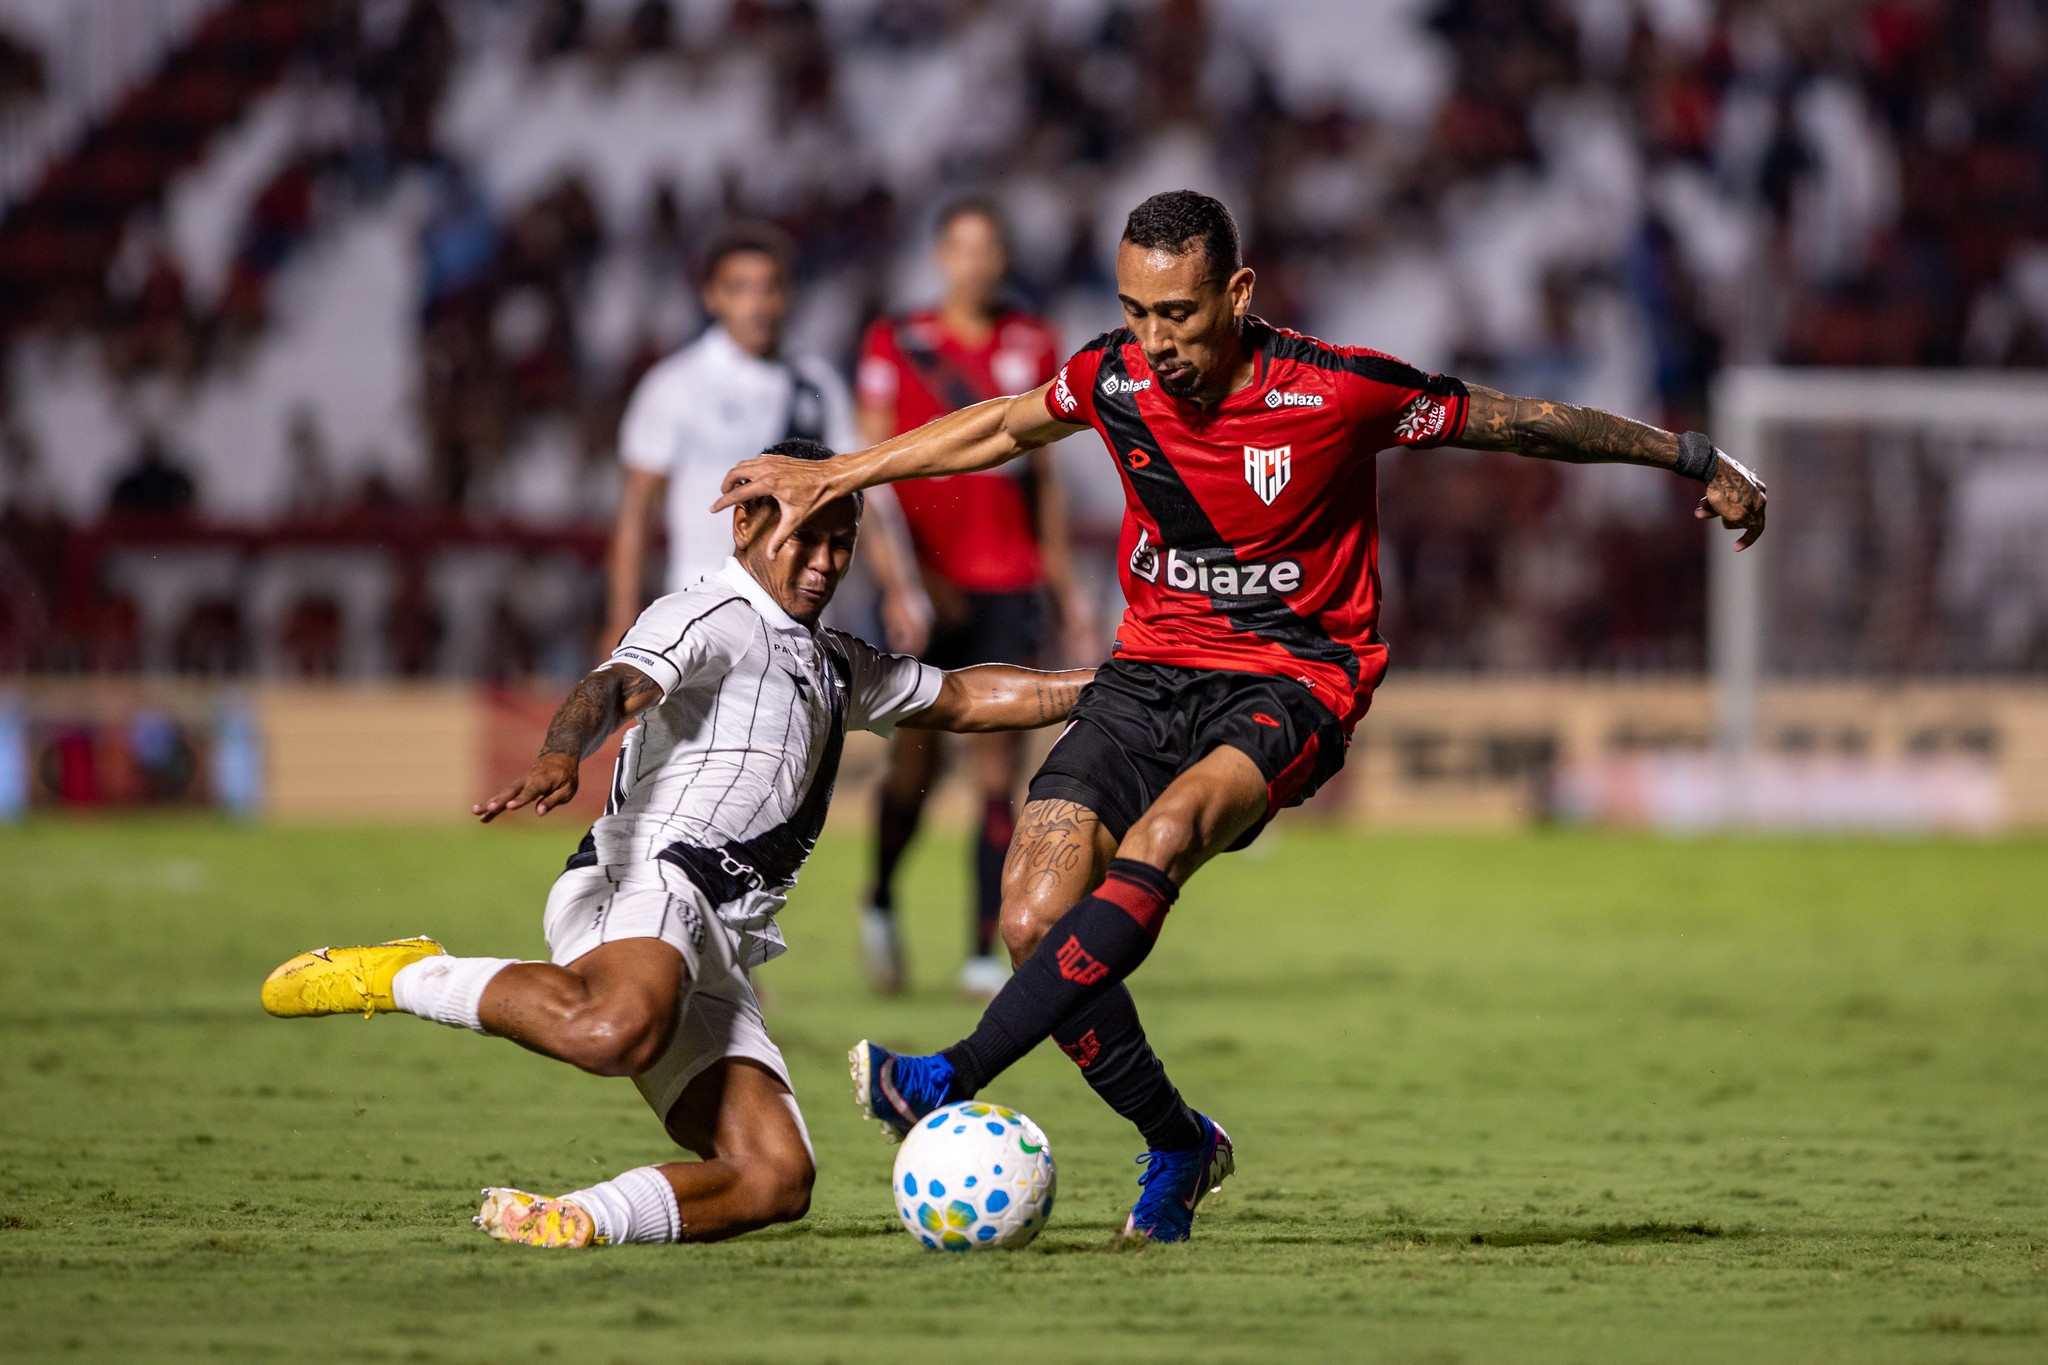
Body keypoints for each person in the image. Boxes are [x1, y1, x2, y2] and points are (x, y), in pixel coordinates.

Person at [714, 190, 1769, 1243]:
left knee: (1165, 836)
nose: (1152, 340)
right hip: (1150, 668)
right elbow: (996, 425)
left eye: (1174, 313)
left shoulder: (1337, 389)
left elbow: (1521, 424)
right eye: (1133, 311)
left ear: (1236, 291)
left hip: (1296, 678)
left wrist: (1687, 456)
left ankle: (950, 1073)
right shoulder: (1113, 376)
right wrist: (836, 472)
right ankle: (1179, 1142)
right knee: (1031, 918)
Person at [259, 439, 1091, 1249]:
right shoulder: (714, 612)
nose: (826, 562)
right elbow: (613, 683)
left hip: (715, 937)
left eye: (844, 544)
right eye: (807, 537)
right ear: (748, 529)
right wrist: (560, 751)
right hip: (651, 873)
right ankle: (408, 974)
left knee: (775, 1177)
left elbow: (966, 697)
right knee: (614, 1030)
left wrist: (1117, 684)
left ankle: (578, 1218)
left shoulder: (836, 662)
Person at [852, 199, 1096, 1000]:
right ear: (940, 256)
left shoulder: (1034, 342)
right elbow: (872, 469)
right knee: (913, 761)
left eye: (989, 249)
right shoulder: (896, 341)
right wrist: (898, 581)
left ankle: (983, 951)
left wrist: (1066, 588)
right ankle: (882, 899)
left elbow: (1046, 477)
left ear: (1002, 258)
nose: (976, 263)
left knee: (1001, 770)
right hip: (931, 587)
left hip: (1011, 579)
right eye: (962, 248)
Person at [603, 222, 926, 652]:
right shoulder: (675, 385)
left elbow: (866, 492)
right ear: (712, 296)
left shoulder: (817, 385)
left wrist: (900, 590)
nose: (758, 304)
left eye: (770, 287)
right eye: (741, 288)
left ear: (789, 294)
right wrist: (622, 616)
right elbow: (636, 510)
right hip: (703, 609)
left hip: (803, 617)